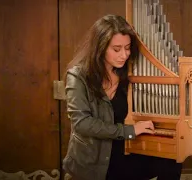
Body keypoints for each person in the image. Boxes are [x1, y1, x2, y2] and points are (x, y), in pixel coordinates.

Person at [63, 14, 182, 180]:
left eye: (127, 48)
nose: (124, 55)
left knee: (173, 157)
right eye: (117, 49)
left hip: (127, 150)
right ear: (100, 47)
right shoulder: (78, 76)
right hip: (94, 159)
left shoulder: (132, 72)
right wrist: (129, 130)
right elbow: (82, 123)